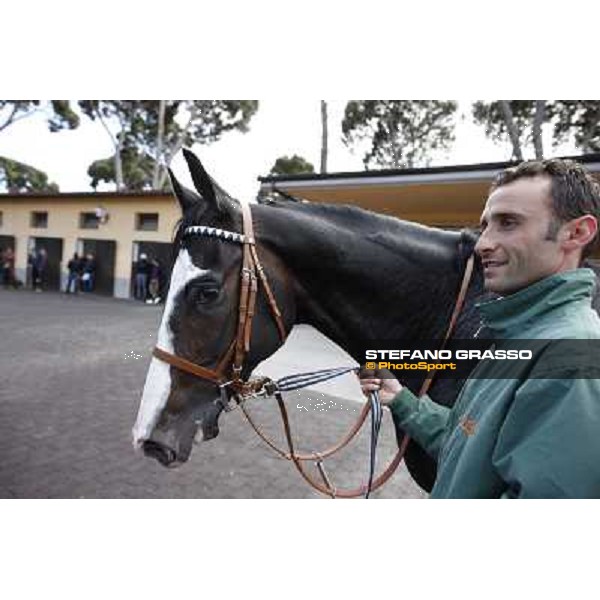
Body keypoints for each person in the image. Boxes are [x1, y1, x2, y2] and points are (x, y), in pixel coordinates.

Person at [360, 158, 600, 498]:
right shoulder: (522, 333)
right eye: (486, 225)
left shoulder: (571, 357)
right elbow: (470, 445)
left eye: (508, 223)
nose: (482, 244)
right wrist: (400, 399)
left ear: (576, 233)